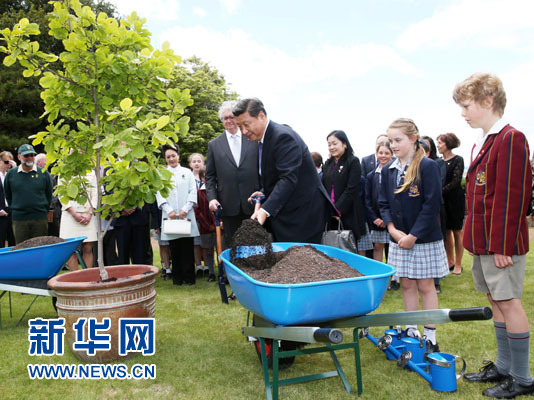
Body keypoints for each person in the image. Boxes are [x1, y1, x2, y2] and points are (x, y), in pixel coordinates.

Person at [453, 73, 533, 398]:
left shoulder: (510, 138)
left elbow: (513, 197)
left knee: (510, 302)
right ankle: (503, 366)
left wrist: (502, 245)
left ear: (488, 101)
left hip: (500, 244)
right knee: (495, 300)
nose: (463, 112)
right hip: (484, 242)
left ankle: (523, 378)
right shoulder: (485, 141)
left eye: (466, 105)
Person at [378, 118, 448, 353]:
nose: (393, 145)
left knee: (426, 285)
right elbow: (383, 202)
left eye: (398, 140)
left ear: (413, 139)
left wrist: (414, 235)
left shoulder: (427, 166)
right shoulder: (388, 169)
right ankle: (410, 329)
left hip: (423, 239)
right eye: (391, 140)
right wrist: (391, 229)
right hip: (398, 238)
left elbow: (432, 204)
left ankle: (430, 336)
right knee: (406, 284)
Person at [233, 98, 331, 243]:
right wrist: (263, 192)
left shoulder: (283, 136)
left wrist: (264, 210)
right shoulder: (262, 141)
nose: (243, 131)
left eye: (246, 125)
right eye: (240, 127)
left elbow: (288, 178)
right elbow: (276, 177)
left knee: (302, 262)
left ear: (261, 116)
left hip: (302, 215)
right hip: (287, 213)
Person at [206, 101, 260, 248]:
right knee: (233, 245)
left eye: (231, 117)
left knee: (255, 244)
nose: (229, 121)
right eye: (225, 118)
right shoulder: (214, 145)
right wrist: (212, 199)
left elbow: (261, 168)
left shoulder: (253, 139)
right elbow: (210, 176)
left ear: (237, 117)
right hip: (228, 205)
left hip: (253, 203)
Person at [156, 144, 199, 286]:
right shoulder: (161, 173)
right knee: (174, 248)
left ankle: (190, 278)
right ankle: (177, 279)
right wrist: (169, 210)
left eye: (173, 156)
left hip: (185, 215)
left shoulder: (187, 172)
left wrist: (185, 209)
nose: (171, 159)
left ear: (178, 156)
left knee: (187, 248)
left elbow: (193, 191)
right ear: (165, 159)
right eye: (168, 157)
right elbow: (159, 193)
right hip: (171, 216)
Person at [322, 130, 367, 251]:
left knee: (349, 249)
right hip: (330, 215)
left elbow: (351, 189)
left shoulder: (353, 161)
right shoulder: (328, 164)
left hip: (348, 213)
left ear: (345, 144)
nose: (331, 147)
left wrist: (337, 210)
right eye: (329, 144)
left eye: (334, 143)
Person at [4, 144, 52, 244]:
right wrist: (16, 207)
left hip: (40, 218)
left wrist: (42, 209)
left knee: (39, 248)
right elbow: (8, 195)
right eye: (26, 156)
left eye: (32, 155)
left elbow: (48, 194)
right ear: (19, 157)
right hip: (19, 219)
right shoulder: (11, 174)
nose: (30, 158)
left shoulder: (43, 173)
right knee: (22, 249)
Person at [436, 133, 465, 276]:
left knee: (457, 232)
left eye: (440, 142)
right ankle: (450, 261)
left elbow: (456, 181)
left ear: (448, 143)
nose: (438, 145)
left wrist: (438, 191)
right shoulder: (438, 162)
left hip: (455, 200)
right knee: (446, 232)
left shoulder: (458, 160)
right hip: (442, 201)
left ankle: (459, 264)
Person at [59, 170, 98, 270]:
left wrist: (90, 213)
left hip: (87, 214)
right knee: (71, 249)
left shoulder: (91, 171)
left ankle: (88, 278)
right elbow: (62, 195)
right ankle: (74, 280)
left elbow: (95, 193)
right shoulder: (63, 170)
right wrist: (74, 213)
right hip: (70, 215)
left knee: (88, 247)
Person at [364, 140, 393, 262]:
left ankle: (396, 277)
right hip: (377, 219)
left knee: (394, 247)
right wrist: (375, 218)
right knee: (378, 246)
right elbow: (367, 198)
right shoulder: (371, 175)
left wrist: (390, 218)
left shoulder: (396, 173)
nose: (383, 156)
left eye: (387, 153)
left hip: (393, 219)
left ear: (392, 154)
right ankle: (380, 273)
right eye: (381, 152)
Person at [189, 153, 216, 281]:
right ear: (202, 179)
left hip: (219, 227)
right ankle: (210, 272)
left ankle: (224, 272)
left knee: (221, 249)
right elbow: (197, 210)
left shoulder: (219, 191)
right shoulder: (199, 193)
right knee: (207, 250)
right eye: (204, 178)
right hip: (206, 228)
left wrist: (218, 222)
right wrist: (207, 225)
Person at [0, 151, 16, 247]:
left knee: (13, 240)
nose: (8, 165)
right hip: (1, 211)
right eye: (7, 162)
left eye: (11, 163)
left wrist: (15, 168)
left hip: (11, 211)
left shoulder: (11, 175)